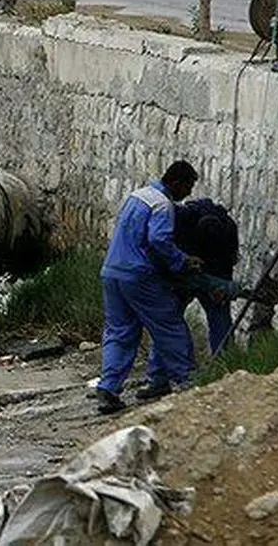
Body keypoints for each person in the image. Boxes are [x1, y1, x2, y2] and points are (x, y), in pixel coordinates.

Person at [95, 161, 203, 415]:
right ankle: (186, 379)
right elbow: (158, 240)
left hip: (112, 272)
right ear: (176, 183)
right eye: (188, 187)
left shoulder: (138, 196)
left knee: (120, 332)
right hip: (138, 275)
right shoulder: (162, 205)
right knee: (169, 325)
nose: (187, 194)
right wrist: (182, 261)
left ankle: (108, 388)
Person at [173, 199, 242, 357]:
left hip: (215, 271)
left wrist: (222, 286)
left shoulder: (227, 230)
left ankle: (223, 365)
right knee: (170, 320)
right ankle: (167, 372)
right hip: (185, 269)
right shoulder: (181, 222)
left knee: (220, 318)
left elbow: (228, 262)